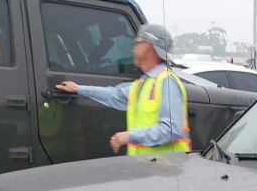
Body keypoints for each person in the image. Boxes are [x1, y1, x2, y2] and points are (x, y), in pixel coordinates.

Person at [55, 23, 191, 155]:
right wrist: (79, 89)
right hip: (150, 167)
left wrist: (128, 136)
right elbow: (114, 95)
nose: (133, 47)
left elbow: (172, 130)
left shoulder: (167, 82)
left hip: (167, 171)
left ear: (149, 47)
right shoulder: (143, 83)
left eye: (137, 42)